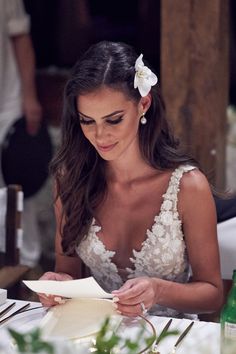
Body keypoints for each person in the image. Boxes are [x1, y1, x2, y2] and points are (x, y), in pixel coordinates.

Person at [39, 41, 223, 319]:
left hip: (170, 339)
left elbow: (212, 294)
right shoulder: (70, 180)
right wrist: (58, 285)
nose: (99, 136)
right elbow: (69, 271)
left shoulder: (188, 187)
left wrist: (159, 290)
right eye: (87, 121)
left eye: (113, 120)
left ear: (143, 104)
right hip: (95, 336)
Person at [0, 0, 42, 267]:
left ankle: (27, 266)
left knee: (18, 182)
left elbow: (20, 37)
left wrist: (30, 96)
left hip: (8, 99)